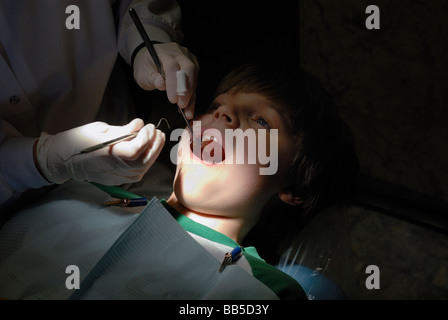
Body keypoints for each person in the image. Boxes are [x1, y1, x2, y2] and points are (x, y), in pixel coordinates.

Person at [0, 59, 358, 300]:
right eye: (218, 104)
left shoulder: (264, 289)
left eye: (262, 121)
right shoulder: (74, 191)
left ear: (292, 187)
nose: (224, 113)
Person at [0, 0, 199, 210]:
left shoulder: (157, 195)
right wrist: (42, 162)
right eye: (215, 107)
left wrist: (148, 40)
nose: (222, 114)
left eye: (236, 118)